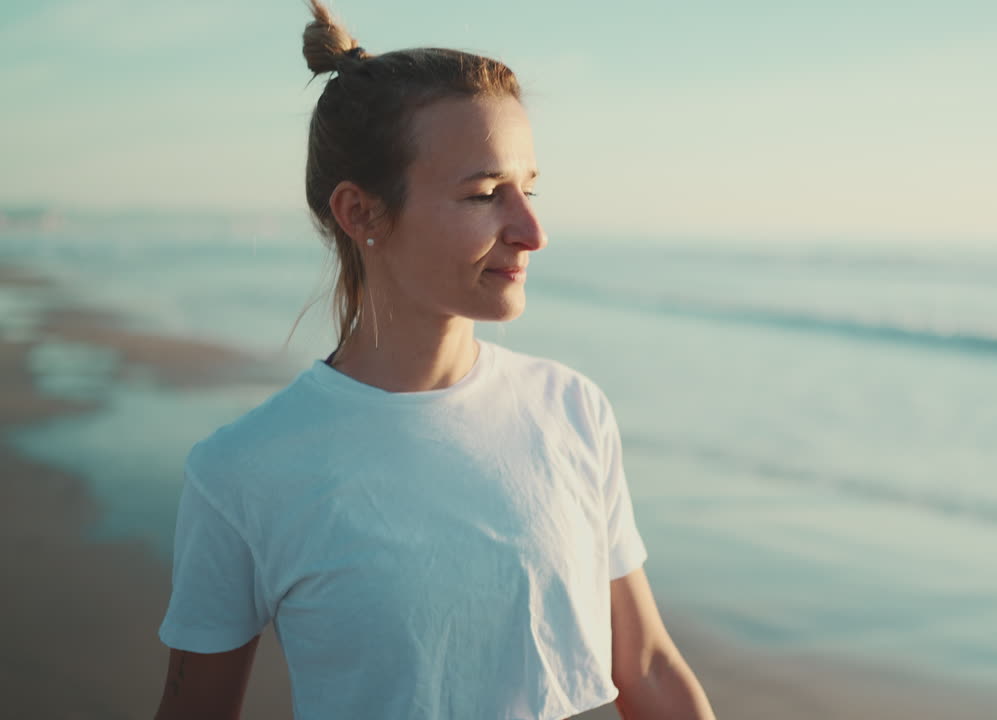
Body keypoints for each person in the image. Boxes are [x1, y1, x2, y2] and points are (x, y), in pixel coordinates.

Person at [152, 2, 716, 718]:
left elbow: (645, 667)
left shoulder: (572, 410)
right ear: (360, 214)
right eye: (484, 195)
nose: (532, 230)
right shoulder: (244, 472)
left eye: (529, 188)